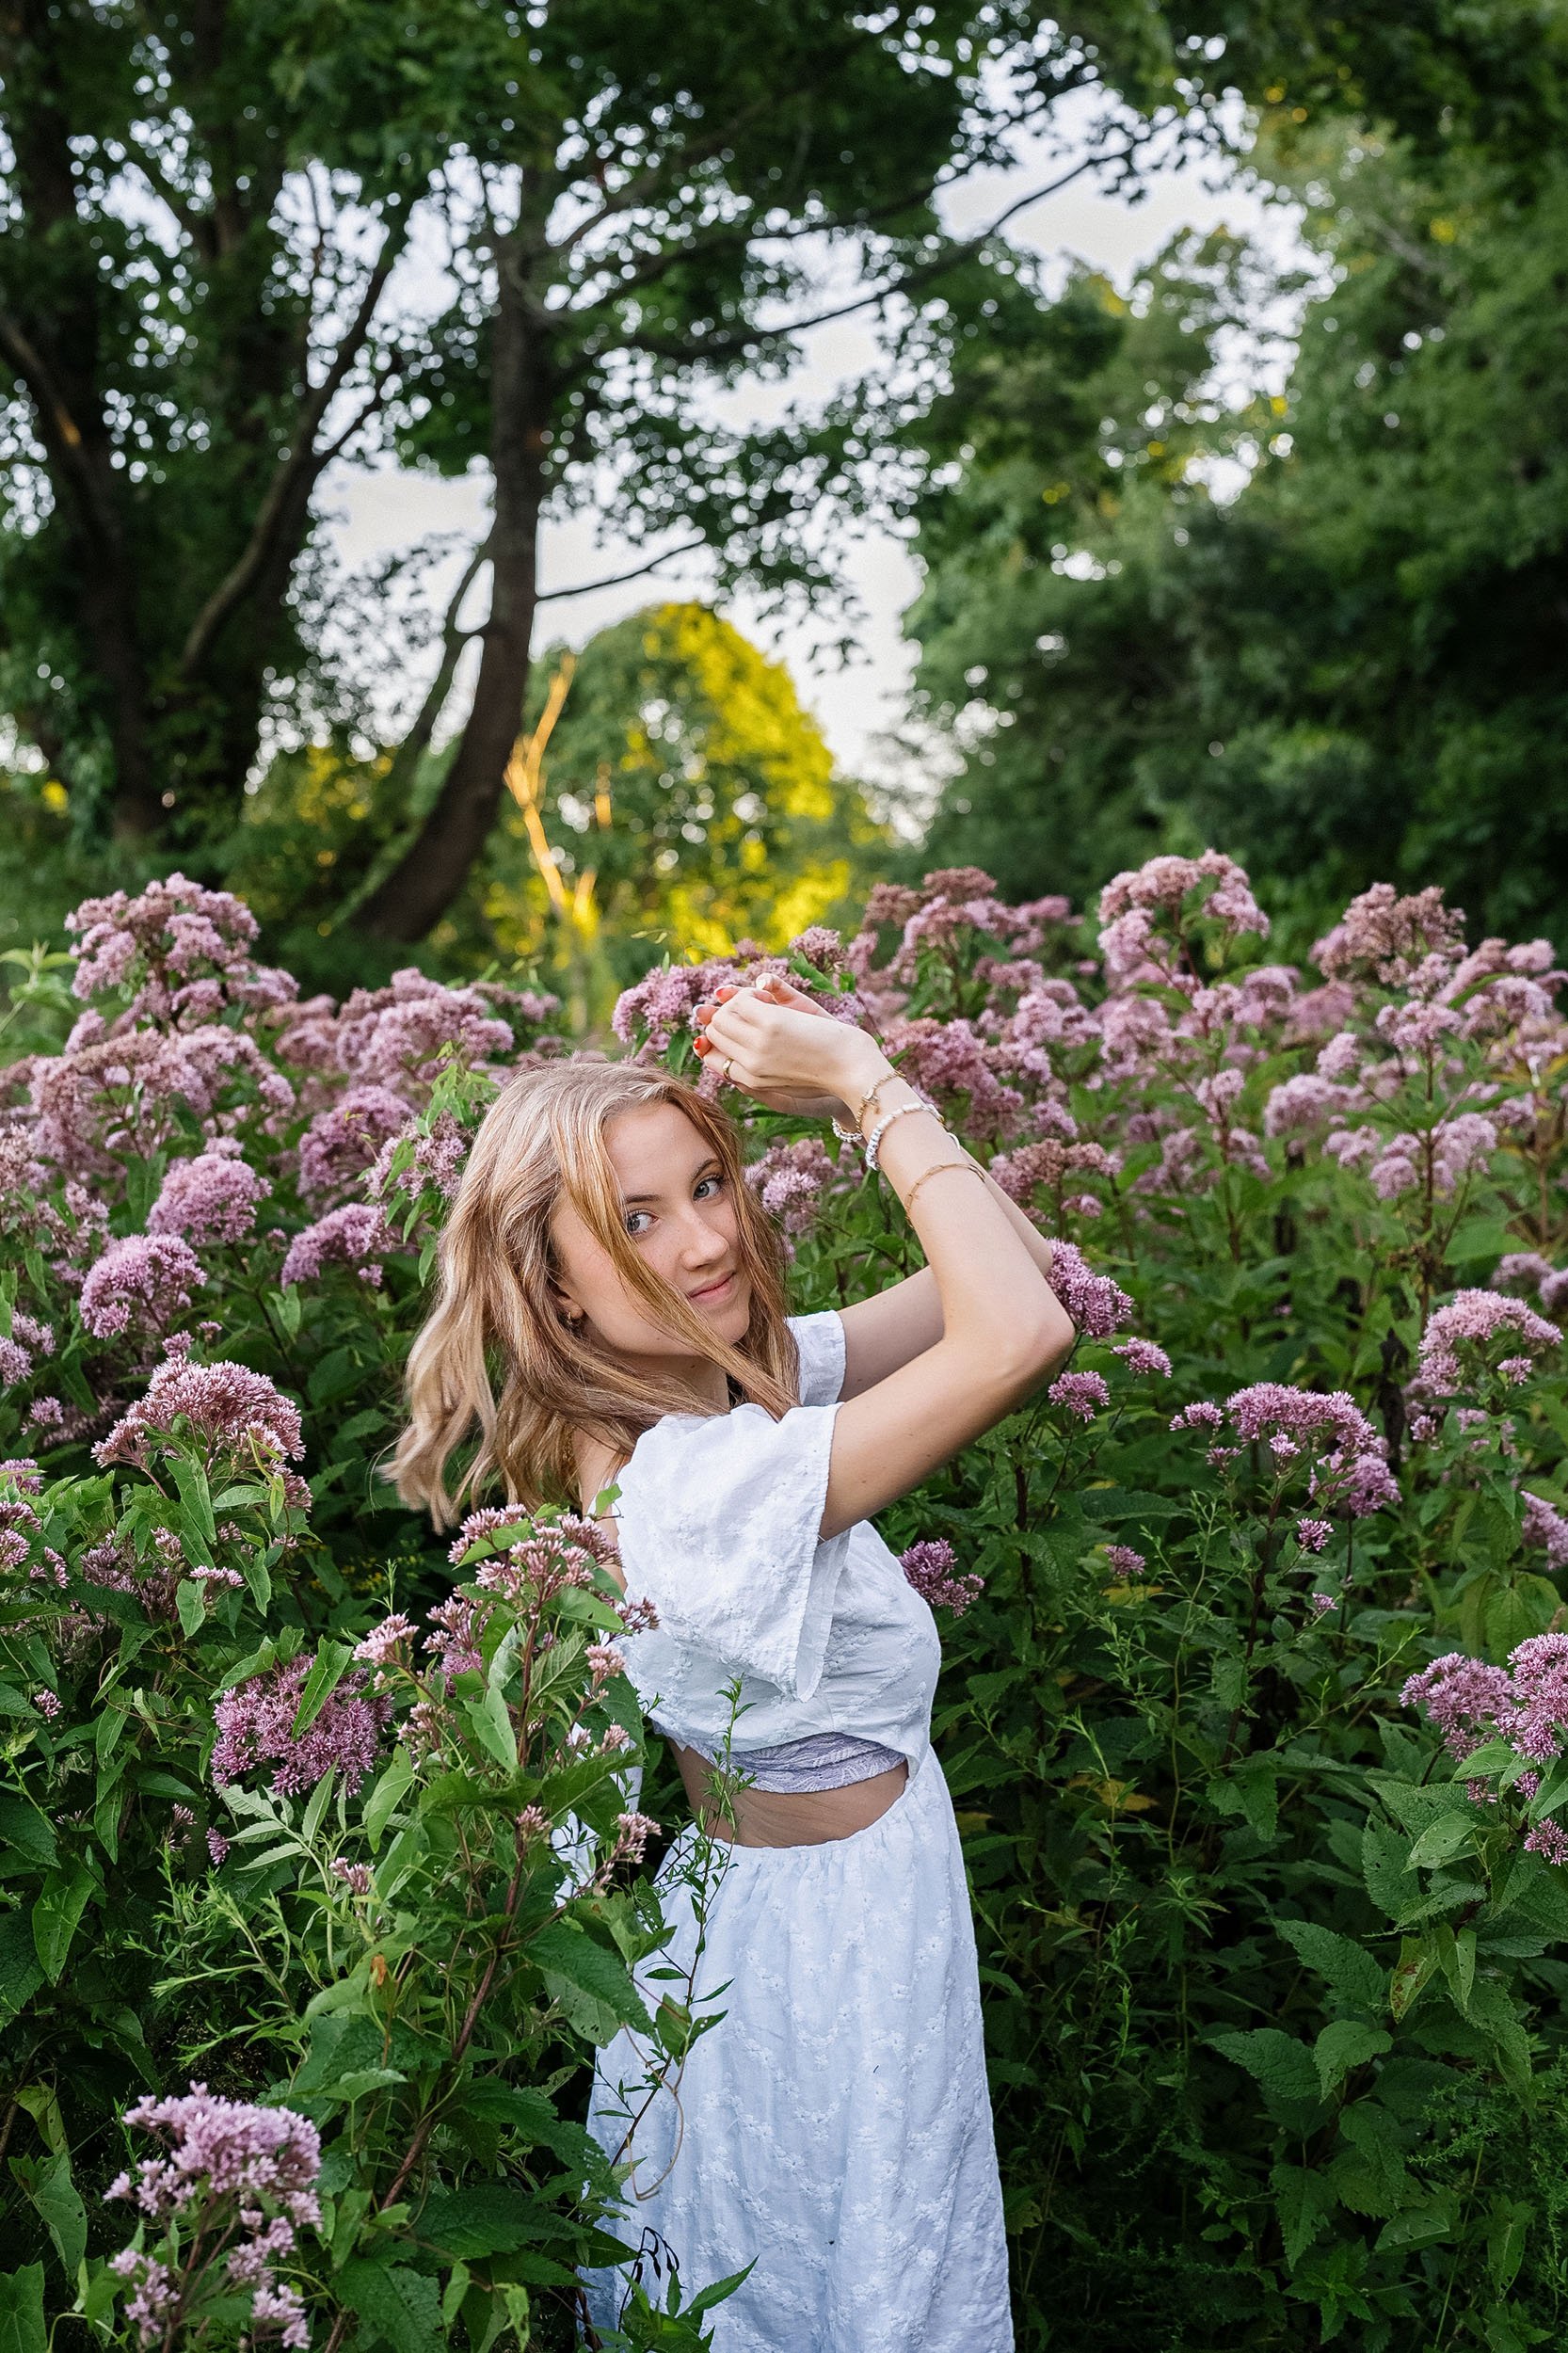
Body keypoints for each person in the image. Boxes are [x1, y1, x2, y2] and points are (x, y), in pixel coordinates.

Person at [392, 971, 1076, 2352]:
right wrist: (864, 1083)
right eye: (634, 1219)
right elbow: (1024, 1331)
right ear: (553, 1285)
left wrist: (863, 1088)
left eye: (709, 1183)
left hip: (799, 1919)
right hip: (827, 1958)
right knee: (836, 2290)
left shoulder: (715, 1377)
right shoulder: (688, 1481)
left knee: (805, 2279)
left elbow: (1009, 1266)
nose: (705, 1240)